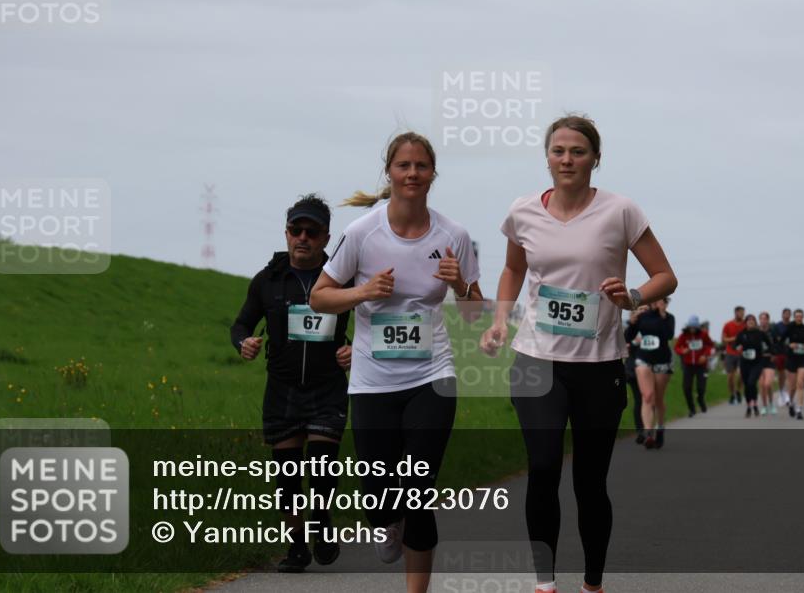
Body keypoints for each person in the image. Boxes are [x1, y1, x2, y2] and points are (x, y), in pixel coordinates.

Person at [479, 115, 677, 593]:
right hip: (537, 359)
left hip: (599, 365)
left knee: (590, 483)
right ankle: (544, 584)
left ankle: (592, 582)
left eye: (578, 151)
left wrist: (632, 295)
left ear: (596, 159)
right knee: (544, 467)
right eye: (558, 151)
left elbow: (665, 276)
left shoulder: (620, 211)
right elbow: (512, 270)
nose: (567, 159)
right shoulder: (523, 211)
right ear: (547, 157)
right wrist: (500, 319)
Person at [309, 132, 483, 593]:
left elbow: (473, 315)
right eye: (404, 166)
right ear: (389, 172)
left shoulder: (454, 236)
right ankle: (385, 521)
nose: (412, 174)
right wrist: (363, 292)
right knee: (380, 497)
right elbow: (320, 296)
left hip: (432, 376)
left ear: (433, 174)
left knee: (418, 490)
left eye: (421, 166)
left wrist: (461, 283)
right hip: (372, 381)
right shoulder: (363, 233)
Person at [229, 194, 352, 572]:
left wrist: (354, 348)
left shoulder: (340, 279)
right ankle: (297, 546)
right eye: (296, 230)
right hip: (282, 387)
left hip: (327, 386)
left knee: (320, 465)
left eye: (311, 232)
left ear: (325, 238)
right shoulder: (267, 281)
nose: (302, 237)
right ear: (286, 234)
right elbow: (241, 325)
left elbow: (372, 322)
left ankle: (321, 519)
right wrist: (243, 343)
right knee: (287, 477)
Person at [626, 299, 676, 447]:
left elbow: (669, 335)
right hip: (643, 359)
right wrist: (633, 322)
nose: (658, 303)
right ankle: (648, 433)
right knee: (647, 396)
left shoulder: (669, 318)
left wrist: (662, 314)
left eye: (662, 301)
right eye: (656, 300)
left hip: (662, 361)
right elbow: (628, 337)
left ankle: (660, 428)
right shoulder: (643, 315)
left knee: (658, 399)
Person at [674, 315, 713, 417]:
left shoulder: (703, 335)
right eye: (690, 327)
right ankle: (692, 409)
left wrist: (705, 355)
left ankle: (700, 399)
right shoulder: (683, 336)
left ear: (697, 327)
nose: (692, 329)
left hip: (701, 365)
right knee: (686, 388)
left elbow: (710, 345)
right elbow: (677, 347)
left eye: (694, 327)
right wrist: (683, 351)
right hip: (688, 365)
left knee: (701, 387)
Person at [782, 308, 804, 420]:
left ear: (803, 317)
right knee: (792, 387)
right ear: (794, 317)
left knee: (800, 384)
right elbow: (782, 341)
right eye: (797, 316)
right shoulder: (789, 328)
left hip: (803, 359)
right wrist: (789, 345)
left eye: (800, 316)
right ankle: (791, 403)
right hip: (791, 359)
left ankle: (799, 410)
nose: (799, 318)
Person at [734, 314, 768, 417]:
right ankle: (749, 406)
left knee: (751, 382)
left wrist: (768, 351)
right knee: (747, 385)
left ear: (755, 322)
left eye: (752, 320)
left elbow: (770, 344)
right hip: (745, 362)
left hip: (757, 362)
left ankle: (755, 404)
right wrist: (738, 347)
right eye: (748, 320)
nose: (750, 322)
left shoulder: (760, 333)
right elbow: (735, 345)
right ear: (746, 323)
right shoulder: (741, 334)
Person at [623, 314, 645, 443]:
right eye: (640, 309)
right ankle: (640, 430)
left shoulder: (651, 327)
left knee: (648, 399)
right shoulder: (630, 328)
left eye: (644, 309)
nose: (642, 311)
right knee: (639, 400)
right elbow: (624, 341)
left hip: (649, 367)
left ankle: (649, 428)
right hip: (633, 370)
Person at [721, 306, 746, 404]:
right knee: (730, 377)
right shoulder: (728, 325)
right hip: (730, 352)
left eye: (743, 313)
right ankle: (732, 394)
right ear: (736, 313)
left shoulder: (745, 324)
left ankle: (738, 391)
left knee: (741, 374)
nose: (742, 315)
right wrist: (735, 339)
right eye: (741, 313)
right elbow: (724, 339)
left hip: (742, 353)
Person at [757, 311, 779, 415]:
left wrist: (774, 354)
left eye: (765, 319)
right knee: (761, 385)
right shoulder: (755, 332)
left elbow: (778, 344)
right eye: (761, 319)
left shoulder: (773, 331)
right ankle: (764, 406)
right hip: (758, 361)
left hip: (769, 360)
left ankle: (771, 404)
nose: (763, 321)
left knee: (768, 384)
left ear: (768, 320)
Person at [774, 308, 792, 405]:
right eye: (785, 313)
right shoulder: (777, 326)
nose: (787, 315)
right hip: (780, 353)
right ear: (782, 315)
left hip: (791, 354)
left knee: (789, 375)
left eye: (789, 314)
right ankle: (781, 393)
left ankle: (788, 397)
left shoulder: (793, 326)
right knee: (781, 376)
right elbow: (777, 339)